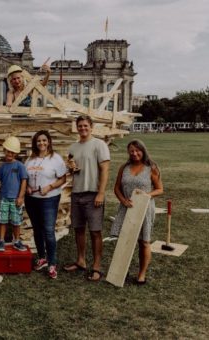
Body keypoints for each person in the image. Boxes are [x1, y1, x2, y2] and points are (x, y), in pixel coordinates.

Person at [64, 115, 110, 281]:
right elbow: (72, 169)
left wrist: (101, 193)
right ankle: (81, 261)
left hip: (93, 193)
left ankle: (97, 266)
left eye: (85, 125)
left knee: (95, 231)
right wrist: (71, 168)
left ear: (91, 127)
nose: (82, 128)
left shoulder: (99, 145)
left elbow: (105, 170)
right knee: (78, 229)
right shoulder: (73, 147)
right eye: (80, 126)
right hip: (77, 192)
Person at [110, 140, 163, 284]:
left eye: (137, 150)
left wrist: (146, 196)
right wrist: (124, 201)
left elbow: (160, 189)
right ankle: (121, 271)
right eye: (131, 151)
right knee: (124, 240)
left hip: (144, 208)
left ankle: (141, 274)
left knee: (144, 242)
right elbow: (116, 188)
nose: (134, 153)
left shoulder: (151, 167)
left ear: (143, 150)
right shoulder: (124, 168)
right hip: (126, 207)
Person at [24, 130, 66, 279]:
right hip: (31, 199)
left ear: (49, 141)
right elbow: (25, 177)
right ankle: (42, 257)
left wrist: (50, 187)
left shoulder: (55, 158)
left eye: (44, 140)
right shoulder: (30, 159)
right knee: (37, 229)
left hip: (49, 199)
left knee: (48, 230)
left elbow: (63, 178)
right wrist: (27, 187)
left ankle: (52, 264)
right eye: (38, 141)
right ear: (35, 143)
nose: (41, 143)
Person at [0, 136, 28, 252]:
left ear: (15, 153)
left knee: (16, 221)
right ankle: (1, 240)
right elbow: (0, 183)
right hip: (4, 198)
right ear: (4, 151)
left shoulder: (20, 166)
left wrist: (20, 197)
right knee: (2, 220)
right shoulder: (2, 167)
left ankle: (17, 241)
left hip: (15, 199)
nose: (10, 154)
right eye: (8, 151)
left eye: (12, 152)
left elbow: (24, 181)